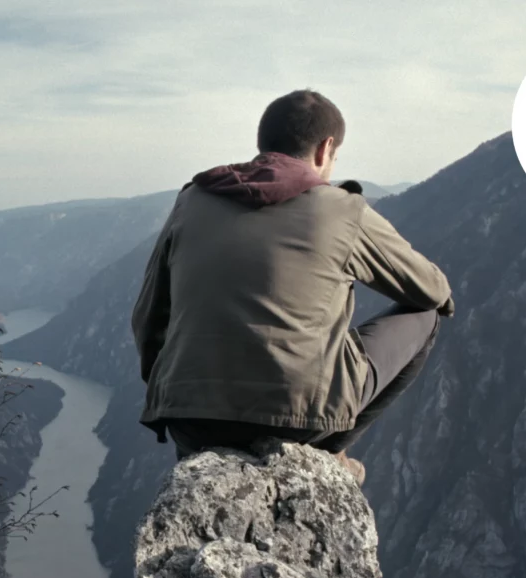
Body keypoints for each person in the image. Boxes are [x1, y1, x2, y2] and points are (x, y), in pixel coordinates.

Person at [130, 89, 454, 484]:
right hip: (298, 422)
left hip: (189, 418)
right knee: (426, 317)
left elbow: (148, 316)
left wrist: (171, 387)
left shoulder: (192, 200)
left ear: (262, 144)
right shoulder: (340, 209)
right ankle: (330, 450)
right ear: (326, 149)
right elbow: (433, 291)